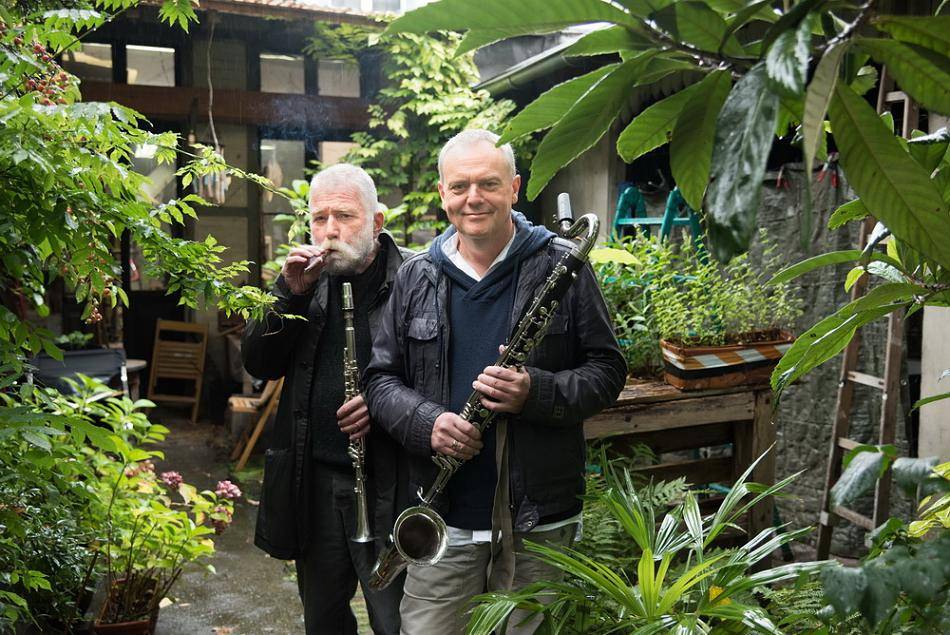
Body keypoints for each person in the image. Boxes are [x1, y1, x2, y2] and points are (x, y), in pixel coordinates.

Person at [363, 130, 627, 633]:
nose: (473, 198)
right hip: (441, 516)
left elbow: (608, 369)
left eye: (488, 183)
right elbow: (380, 380)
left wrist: (537, 393)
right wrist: (428, 423)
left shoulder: (562, 266)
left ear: (515, 188)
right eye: (459, 186)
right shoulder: (416, 276)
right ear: (442, 194)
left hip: (538, 525)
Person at [242, 163, 411, 634]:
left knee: (393, 619)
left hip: (389, 484)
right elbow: (258, 362)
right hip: (314, 482)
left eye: (345, 216)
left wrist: (384, 407)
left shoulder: (416, 278)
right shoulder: (305, 282)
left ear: (377, 222)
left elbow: (437, 379)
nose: (330, 230)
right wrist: (286, 294)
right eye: (320, 218)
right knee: (322, 620)